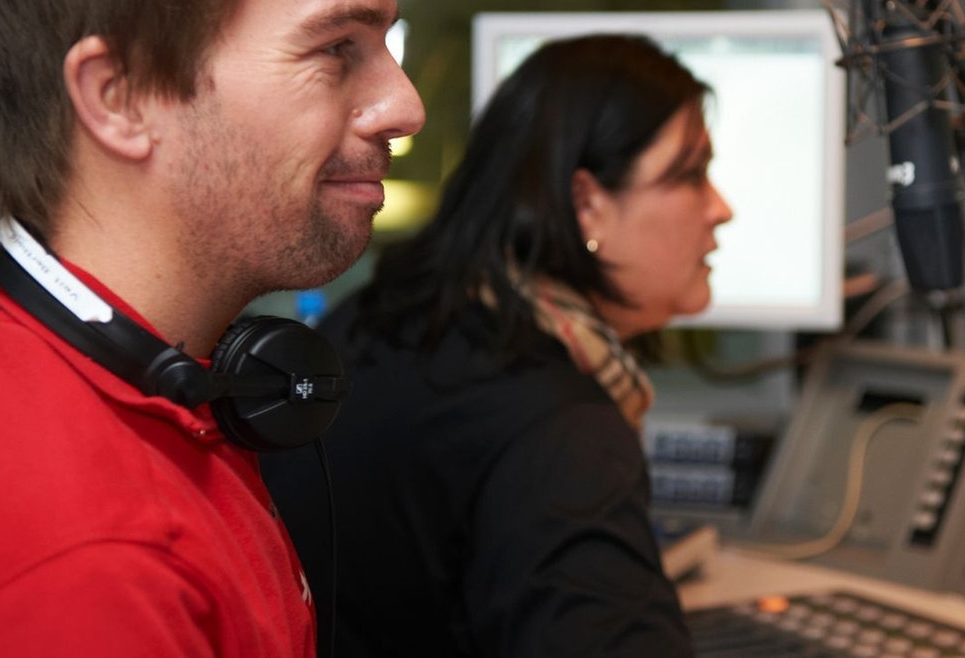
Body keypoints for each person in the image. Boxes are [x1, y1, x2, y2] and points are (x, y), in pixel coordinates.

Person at [0, 0, 423, 655]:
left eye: (384, 44)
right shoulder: (85, 575)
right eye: (336, 49)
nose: (404, 105)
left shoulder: (145, 386)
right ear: (123, 97)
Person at [264, 33, 734, 657]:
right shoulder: (559, 428)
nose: (721, 209)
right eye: (691, 175)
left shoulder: (385, 318)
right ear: (588, 205)